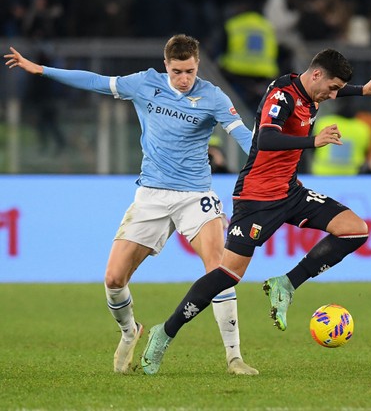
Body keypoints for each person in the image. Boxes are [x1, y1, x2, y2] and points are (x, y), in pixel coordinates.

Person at [4, 34, 259, 376]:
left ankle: (234, 358)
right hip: (151, 196)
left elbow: (244, 135)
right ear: (165, 65)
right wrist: (42, 70)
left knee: (219, 271)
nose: (184, 78)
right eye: (177, 71)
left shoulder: (212, 96)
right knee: (113, 278)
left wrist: (272, 161)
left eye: (190, 70)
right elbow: (94, 81)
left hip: (195, 195)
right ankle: (130, 331)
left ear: (197, 65)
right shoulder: (144, 84)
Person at [138, 48, 371, 375]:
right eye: (332, 88)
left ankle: (286, 284)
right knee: (227, 275)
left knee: (355, 229)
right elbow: (266, 138)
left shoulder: (311, 90)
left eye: (337, 90)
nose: (333, 96)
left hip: (290, 191)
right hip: (257, 197)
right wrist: (313, 142)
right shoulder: (281, 96)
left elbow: (329, 89)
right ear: (315, 75)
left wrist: (363, 90)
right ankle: (165, 332)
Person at [310, 99, 371, 175]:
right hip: (352, 176)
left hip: (322, 174)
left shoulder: (324, 123)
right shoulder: (363, 128)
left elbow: (312, 147)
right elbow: (366, 152)